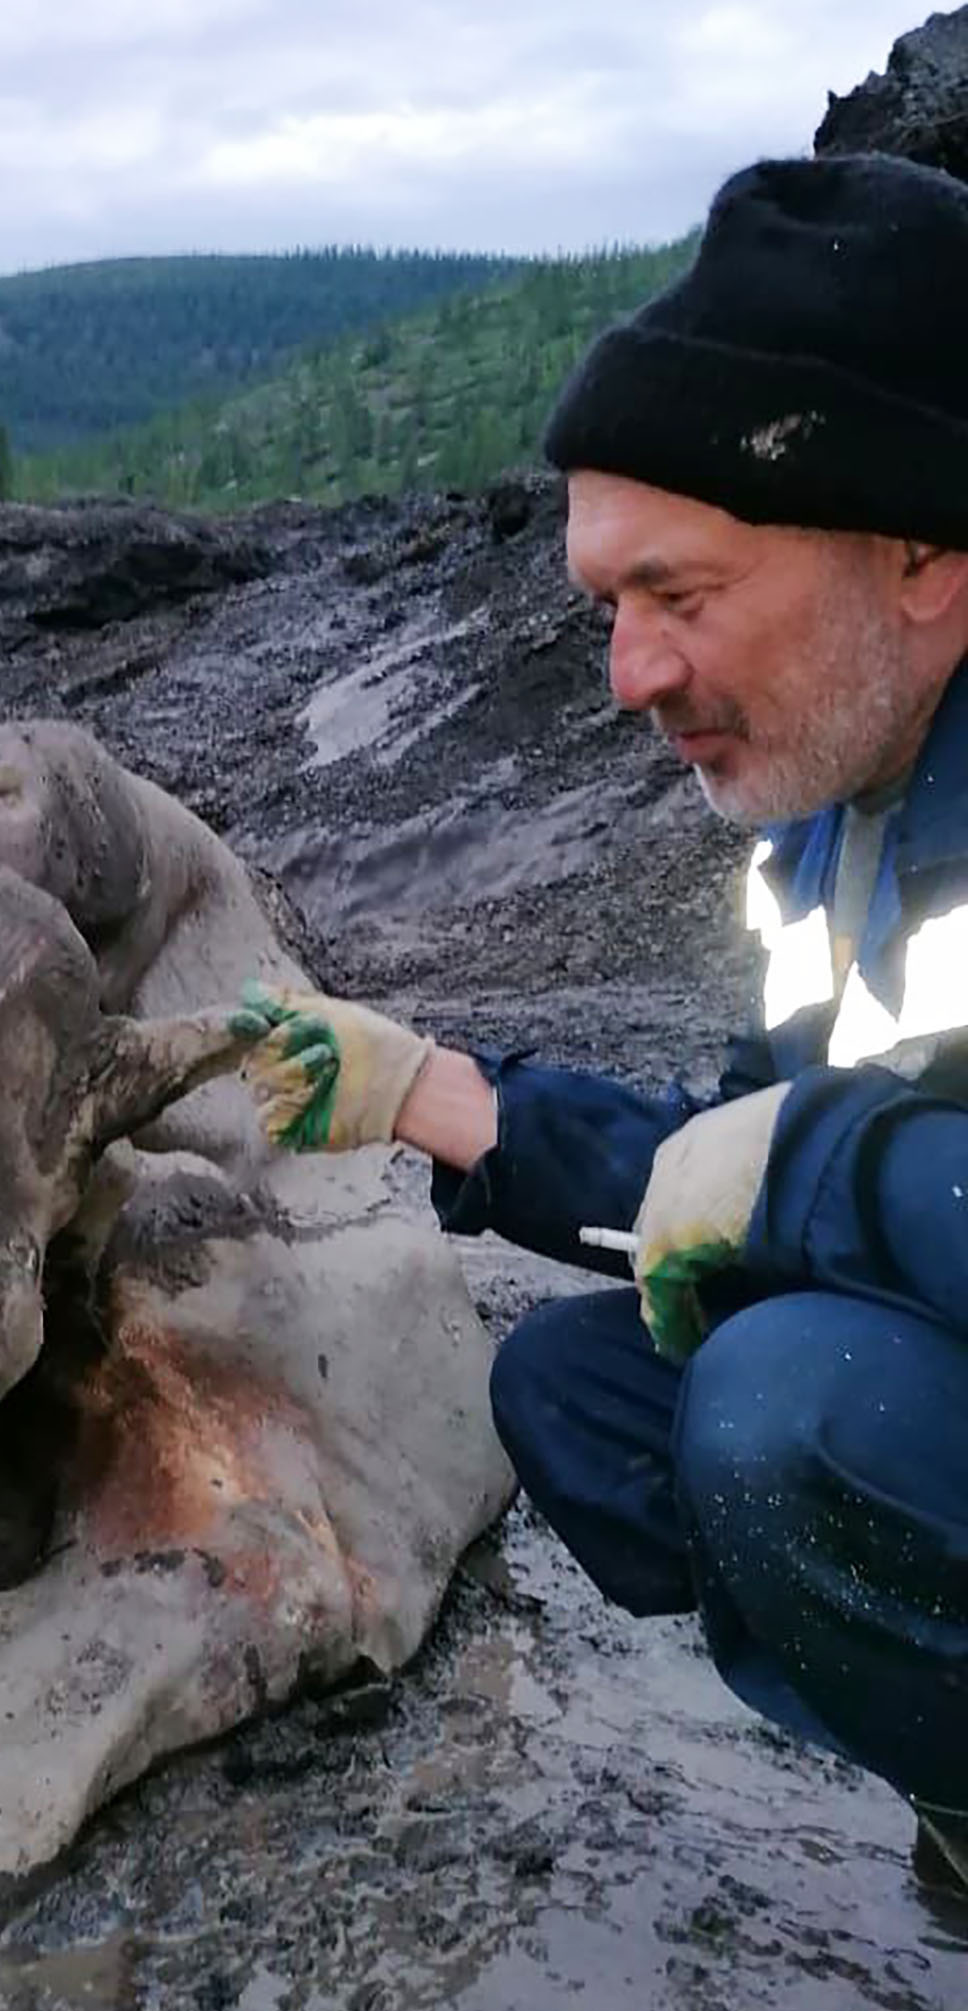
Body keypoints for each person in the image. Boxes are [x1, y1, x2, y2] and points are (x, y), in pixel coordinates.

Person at [237, 153, 968, 1888]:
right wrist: (441, 1098)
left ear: (924, 548)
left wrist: (801, 1164)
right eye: (610, 610)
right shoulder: (841, 826)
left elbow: (790, 1176)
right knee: (584, 1390)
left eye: (681, 595)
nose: (629, 676)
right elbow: (738, 1167)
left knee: (783, 1415)